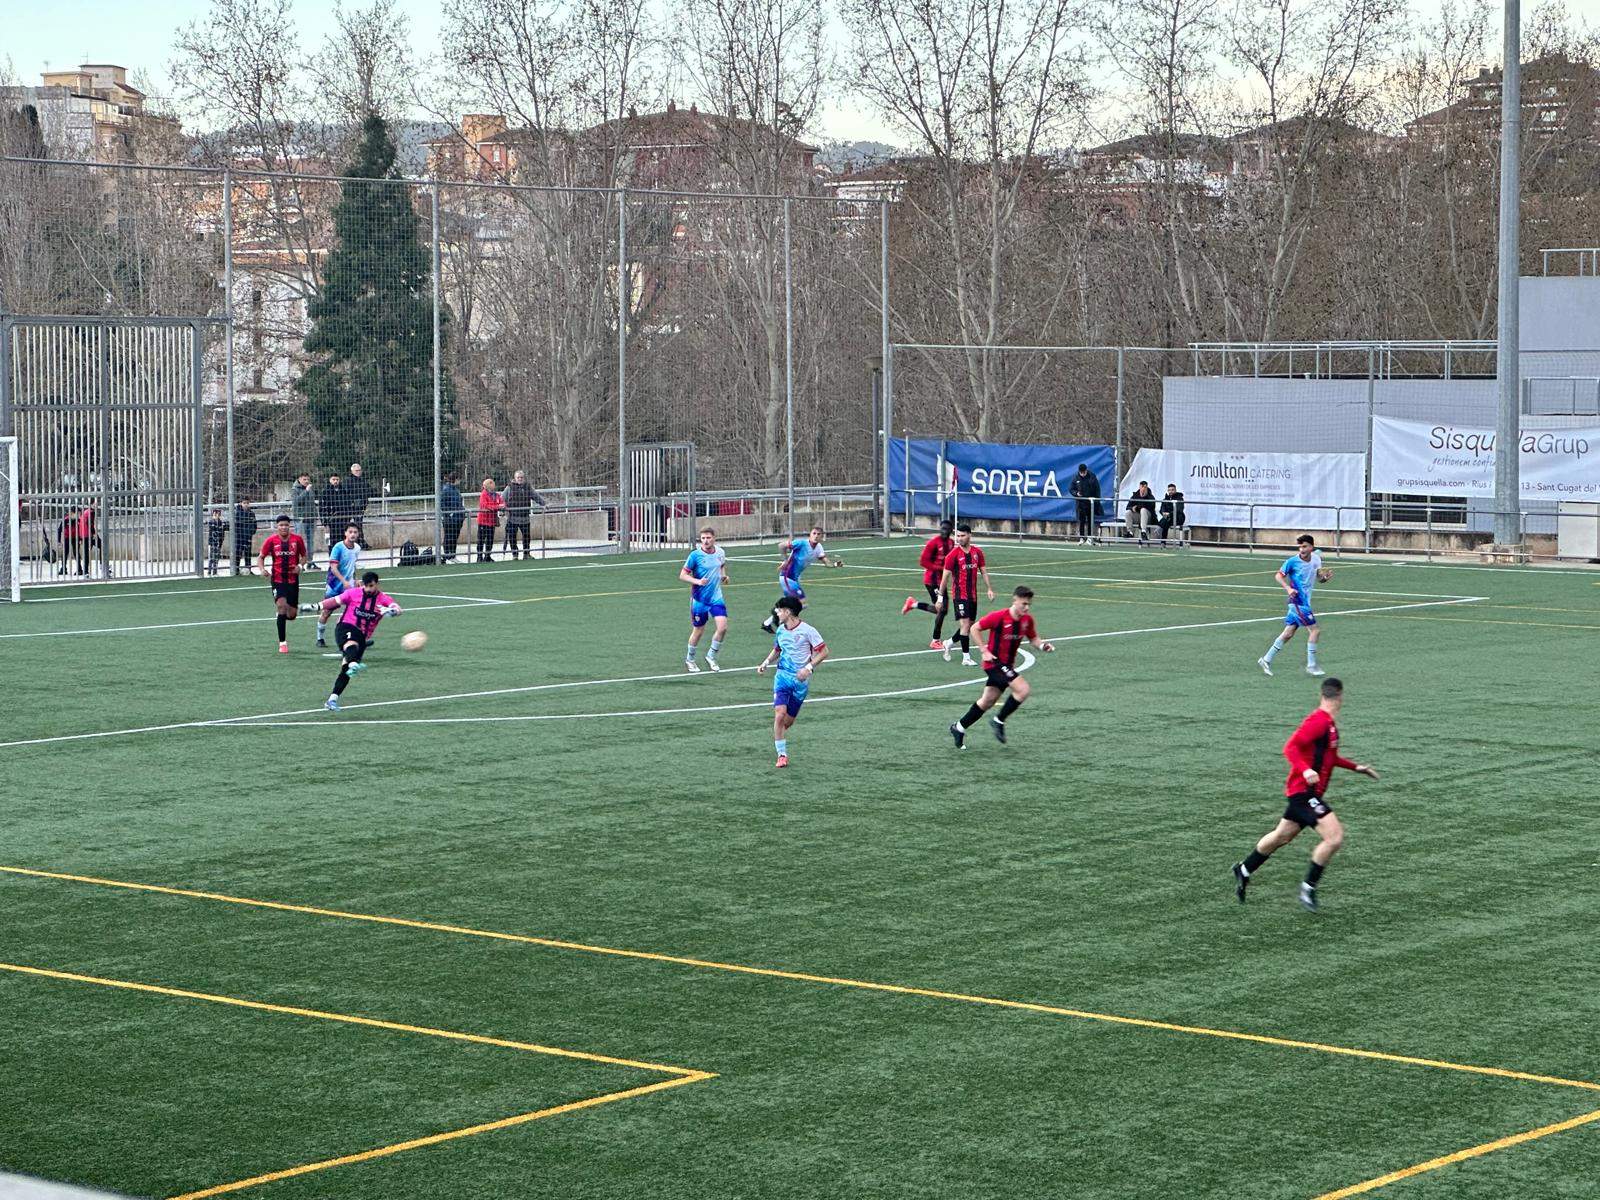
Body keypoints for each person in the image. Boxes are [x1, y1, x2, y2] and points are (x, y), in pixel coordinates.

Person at [1231, 677, 1378, 912]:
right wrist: (1306, 769)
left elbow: (1330, 758)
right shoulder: (1318, 722)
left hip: (1305, 794)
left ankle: (1244, 869)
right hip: (1304, 793)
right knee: (1334, 837)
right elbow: (1290, 747)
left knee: (1281, 836)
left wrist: (1355, 767)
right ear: (1340, 696)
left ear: (1323, 694)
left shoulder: (1328, 724)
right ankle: (1308, 888)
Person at [949, 586, 1054, 748]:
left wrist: (1043, 646)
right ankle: (998, 721)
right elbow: (974, 628)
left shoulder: (1027, 621)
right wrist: (983, 650)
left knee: (987, 701)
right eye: (1023, 604)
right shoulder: (999, 617)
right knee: (1023, 689)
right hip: (995, 663)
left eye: (1028, 605)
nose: (1026, 608)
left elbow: (1034, 638)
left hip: (1007, 666)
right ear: (1015, 600)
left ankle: (959, 727)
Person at [313, 570, 402, 711]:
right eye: (366, 586)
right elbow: (334, 601)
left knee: (345, 669)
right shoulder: (353, 593)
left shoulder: (382, 599)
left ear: (377, 584)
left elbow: (397, 608)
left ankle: (332, 700)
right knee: (351, 645)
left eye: (372, 586)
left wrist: (392, 611)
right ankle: (353, 662)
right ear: (362, 584)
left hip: (362, 637)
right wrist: (316, 606)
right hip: (345, 627)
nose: (369, 589)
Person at [756, 596, 828, 769]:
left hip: (800, 682)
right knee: (779, 714)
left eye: (779, 610)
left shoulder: (808, 630)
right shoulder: (780, 630)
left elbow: (824, 651)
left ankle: (778, 734)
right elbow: (777, 650)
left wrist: (808, 668)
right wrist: (765, 663)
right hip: (782, 677)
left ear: (788, 612)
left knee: (787, 722)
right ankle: (782, 755)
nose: (777, 613)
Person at [1258, 534, 1331, 677]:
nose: (1302, 549)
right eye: (1300, 546)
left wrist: (1324, 579)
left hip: (1304, 601)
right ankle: (1311, 665)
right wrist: (1288, 588)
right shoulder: (1292, 562)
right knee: (1315, 631)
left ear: (1311, 547)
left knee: (1288, 633)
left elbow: (1318, 577)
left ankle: (1266, 659)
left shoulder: (1316, 559)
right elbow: (1278, 575)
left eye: (1305, 546)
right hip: (1298, 602)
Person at [760, 525, 840, 633]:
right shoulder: (801, 543)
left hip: (795, 578)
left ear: (822, 537)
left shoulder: (819, 548)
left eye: (818, 534)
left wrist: (835, 564)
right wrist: (784, 560)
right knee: (802, 603)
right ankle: (779, 616)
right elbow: (781, 545)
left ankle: (767, 623)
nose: (816, 536)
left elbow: (826, 562)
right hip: (787, 576)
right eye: (814, 533)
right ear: (810, 534)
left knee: (790, 603)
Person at [938, 523, 994, 666]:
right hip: (959, 596)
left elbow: (984, 571)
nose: (959, 538)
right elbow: (945, 578)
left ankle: (948, 643)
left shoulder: (977, 553)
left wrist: (989, 589)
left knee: (969, 626)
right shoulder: (952, 555)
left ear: (969, 535)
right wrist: (940, 597)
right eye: (957, 535)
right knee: (964, 625)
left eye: (962, 535)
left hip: (973, 596)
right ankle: (966, 658)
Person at [680, 526, 730, 673]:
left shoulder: (720, 552)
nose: (705, 541)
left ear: (714, 538)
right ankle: (690, 659)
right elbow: (682, 575)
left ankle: (711, 656)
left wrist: (724, 577)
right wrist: (697, 581)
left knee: (723, 628)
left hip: (716, 597)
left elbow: (721, 567)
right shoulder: (695, 556)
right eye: (703, 538)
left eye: (708, 538)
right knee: (699, 630)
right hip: (699, 600)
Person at [258, 513, 309, 653]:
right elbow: (261, 557)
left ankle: (281, 616)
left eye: (286, 525)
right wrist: (262, 569)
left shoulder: (297, 540)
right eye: (281, 525)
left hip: (293, 580)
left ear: (290, 526)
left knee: (291, 615)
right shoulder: (271, 541)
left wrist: (300, 566)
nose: (284, 527)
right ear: (277, 526)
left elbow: (304, 556)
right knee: (281, 606)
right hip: (277, 580)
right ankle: (282, 643)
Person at [900, 518, 955, 649]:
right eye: (942, 529)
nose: (944, 531)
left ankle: (913, 604)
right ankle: (935, 640)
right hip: (932, 581)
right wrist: (940, 569)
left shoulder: (951, 543)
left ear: (951, 531)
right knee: (942, 609)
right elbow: (923, 562)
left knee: (940, 609)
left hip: (941, 582)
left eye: (946, 529)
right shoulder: (933, 543)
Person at [318, 523, 362, 648]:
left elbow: (352, 566)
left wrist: (355, 579)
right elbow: (333, 568)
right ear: (345, 533)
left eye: (355, 532)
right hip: (334, 586)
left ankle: (355, 637)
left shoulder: (357, 548)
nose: (353, 534)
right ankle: (320, 638)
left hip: (349, 587)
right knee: (327, 612)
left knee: (355, 612)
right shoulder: (338, 547)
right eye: (350, 532)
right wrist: (344, 581)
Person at [503, 470, 543, 560]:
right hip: (512, 517)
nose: (520, 479)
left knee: (527, 537)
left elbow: (536, 496)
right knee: (512, 537)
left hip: (525, 517)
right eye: (518, 477)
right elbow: (502, 499)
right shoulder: (509, 488)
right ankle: (515, 554)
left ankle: (526, 554)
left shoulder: (528, 487)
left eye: (521, 477)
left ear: (524, 478)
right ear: (515, 478)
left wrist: (543, 504)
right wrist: (503, 509)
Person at [290, 473, 318, 566]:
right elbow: (297, 501)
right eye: (304, 479)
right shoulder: (295, 490)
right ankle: (298, 562)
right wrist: (306, 491)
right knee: (300, 541)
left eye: (307, 479)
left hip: (311, 518)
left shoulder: (310, 489)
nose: (306, 481)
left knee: (311, 542)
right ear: (299, 479)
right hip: (300, 519)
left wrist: (315, 515)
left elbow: (312, 503)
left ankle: (310, 562)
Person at [1069, 463, 1100, 544]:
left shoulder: (1092, 476)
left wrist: (1096, 500)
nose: (1082, 474)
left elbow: (1097, 488)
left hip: (1090, 503)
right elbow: (1071, 489)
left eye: (1084, 472)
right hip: (1080, 503)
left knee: (1090, 520)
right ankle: (1082, 538)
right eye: (1081, 473)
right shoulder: (1076, 477)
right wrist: (1076, 493)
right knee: (1081, 521)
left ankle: (1090, 538)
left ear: (1086, 470)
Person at [475, 477, 504, 562]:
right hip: (483, 521)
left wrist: (498, 506)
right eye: (491, 483)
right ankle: (479, 556)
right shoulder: (483, 494)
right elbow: (486, 506)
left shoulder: (496, 495)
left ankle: (487, 556)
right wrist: (497, 506)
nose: (493, 485)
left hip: (492, 521)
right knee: (481, 539)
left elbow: (502, 503)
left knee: (490, 539)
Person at [345, 463, 373, 548]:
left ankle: (360, 542)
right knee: (348, 526)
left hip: (361, 507)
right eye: (356, 470)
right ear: (352, 471)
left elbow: (369, 491)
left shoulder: (363, 481)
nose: (358, 472)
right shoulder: (348, 481)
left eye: (359, 470)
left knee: (359, 525)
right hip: (350, 507)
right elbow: (346, 494)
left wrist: (364, 502)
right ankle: (349, 543)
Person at [440, 472, 467, 562]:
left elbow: (459, 503)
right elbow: (442, 504)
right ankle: (447, 555)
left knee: (455, 537)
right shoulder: (446, 490)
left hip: (458, 519)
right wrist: (449, 514)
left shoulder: (456, 490)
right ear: (455, 479)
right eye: (458, 479)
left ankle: (453, 555)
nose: (459, 481)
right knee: (449, 537)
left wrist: (462, 512)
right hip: (450, 520)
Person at [319, 475, 347, 552]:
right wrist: (324, 521)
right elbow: (322, 508)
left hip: (342, 520)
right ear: (330, 480)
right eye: (333, 479)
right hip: (330, 521)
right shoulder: (325, 492)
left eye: (337, 479)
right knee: (329, 540)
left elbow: (348, 505)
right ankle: (331, 558)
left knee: (342, 541)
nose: (335, 481)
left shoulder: (344, 491)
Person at [232, 499, 258, 574]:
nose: (246, 504)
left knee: (248, 553)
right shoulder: (236, 513)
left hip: (248, 537)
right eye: (244, 503)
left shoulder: (251, 513)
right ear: (241, 503)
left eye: (247, 503)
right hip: (239, 537)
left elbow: (254, 524)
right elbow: (235, 525)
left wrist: (251, 532)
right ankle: (236, 570)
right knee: (238, 553)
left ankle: (248, 569)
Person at [205, 507, 228, 576]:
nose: (216, 515)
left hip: (219, 543)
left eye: (218, 514)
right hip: (212, 543)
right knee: (211, 557)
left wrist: (221, 540)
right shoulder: (211, 522)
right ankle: (209, 571)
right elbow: (213, 531)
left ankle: (215, 571)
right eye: (215, 514)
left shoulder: (221, 523)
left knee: (216, 557)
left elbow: (223, 532)